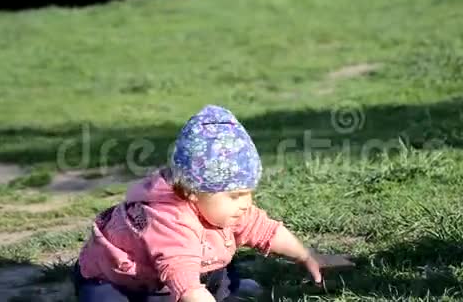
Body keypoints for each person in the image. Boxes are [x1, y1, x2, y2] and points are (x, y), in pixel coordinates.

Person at [72, 105, 322, 302]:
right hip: (119, 281)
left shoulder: (223, 206)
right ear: (193, 192)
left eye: (248, 193)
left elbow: (265, 229)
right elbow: (185, 282)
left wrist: (304, 255)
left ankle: (226, 289)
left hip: (184, 267)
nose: (246, 204)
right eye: (235, 195)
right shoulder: (170, 220)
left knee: (216, 272)